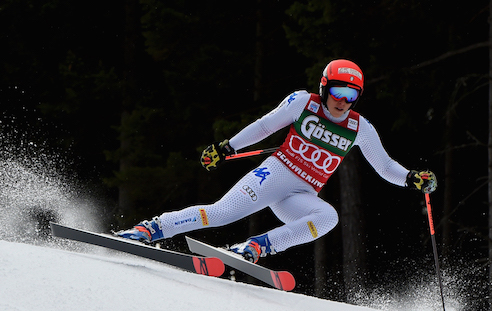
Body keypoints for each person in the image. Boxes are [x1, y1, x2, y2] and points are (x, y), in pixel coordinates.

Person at [116, 59, 437, 263]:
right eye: (339, 91)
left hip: (301, 195)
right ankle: (151, 228)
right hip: (276, 174)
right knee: (221, 213)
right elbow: (265, 126)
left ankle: (256, 247)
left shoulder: (360, 128)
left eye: (352, 96)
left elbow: (383, 165)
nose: (343, 101)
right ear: (325, 88)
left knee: (328, 217)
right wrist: (227, 147)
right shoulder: (303, 103)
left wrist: (411, 178)